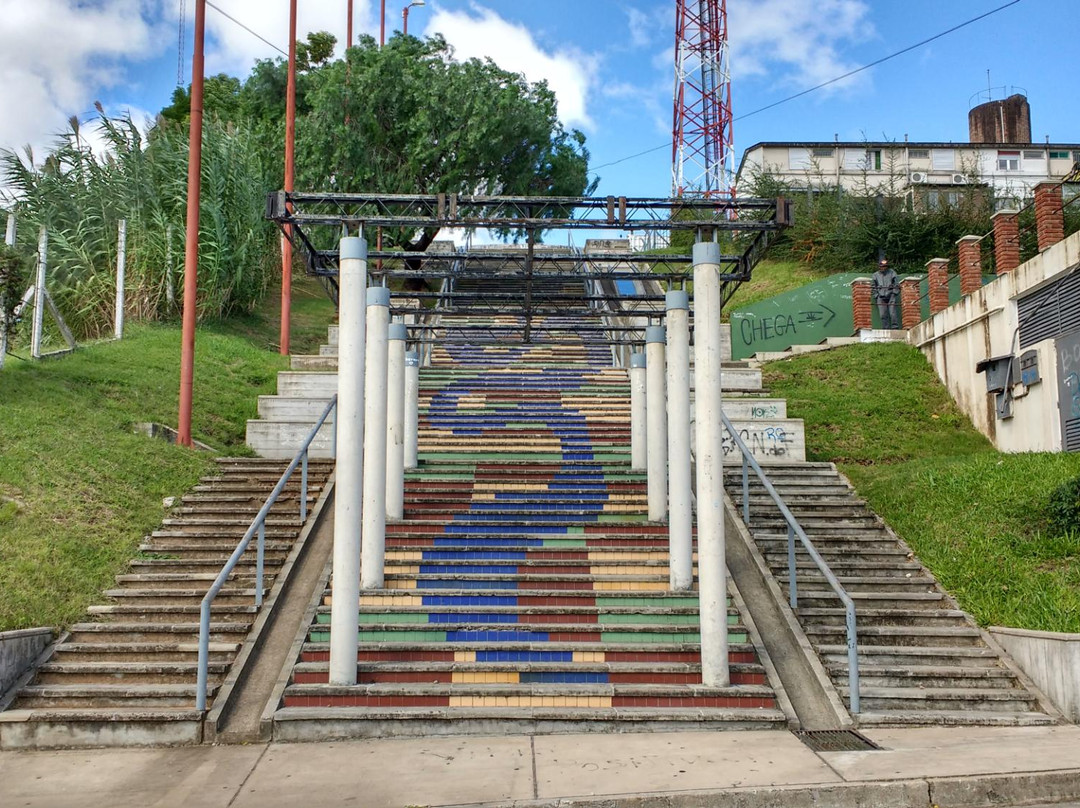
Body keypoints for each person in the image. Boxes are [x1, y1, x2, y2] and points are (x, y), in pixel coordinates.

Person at [871, 258, 899, 329]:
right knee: (883, 314)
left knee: (893, 313)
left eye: (885, 266)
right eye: (882, 266)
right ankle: (885, 328)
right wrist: (876, 295)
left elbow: (896, 283)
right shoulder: (875, 275)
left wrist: (894, 292)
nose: (884, 268)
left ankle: (895, 327)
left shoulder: (892, 272)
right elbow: (873, 286)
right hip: (880, 296)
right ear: (879, 267)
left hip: (891, 295)